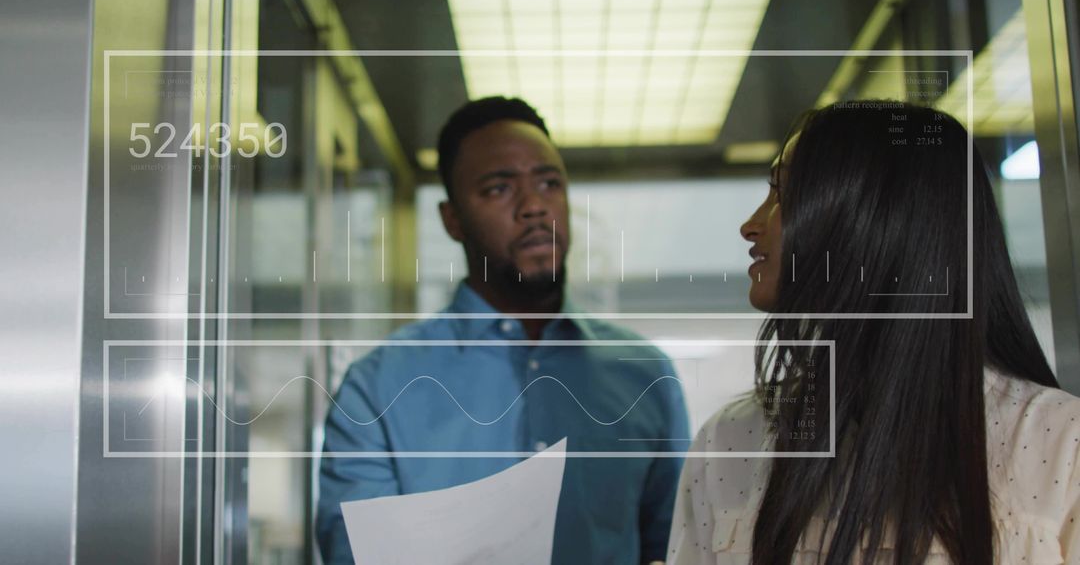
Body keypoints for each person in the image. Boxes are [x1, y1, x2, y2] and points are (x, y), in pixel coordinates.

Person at [667, 101, 1080, 563]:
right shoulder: (729, 441)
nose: (752, 225)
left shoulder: (1062, 444)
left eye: (784, 194)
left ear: (879, 221)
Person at [317, 96, 690, 565]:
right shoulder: (377, 387)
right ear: (452, 220)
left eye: (550, 183)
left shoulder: (644, 375)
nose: (534, 206)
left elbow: (677, 546)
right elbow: (355, 554)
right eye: (498, 189)